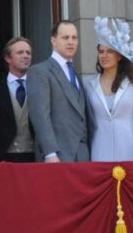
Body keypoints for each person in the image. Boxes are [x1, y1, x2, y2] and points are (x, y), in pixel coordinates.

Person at [85, 17, 133, 162]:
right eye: (101, 52)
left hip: (128, 150)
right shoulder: (89, 84)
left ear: (119, 56)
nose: (104, 56)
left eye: (109, 52)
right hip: (98, 150)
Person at [29, 20, 90, 163]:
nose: (71, 42)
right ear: (53, 41)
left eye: (74, 38)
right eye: (65, 37)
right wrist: (50, 153)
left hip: (82, 157)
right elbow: (40, 115)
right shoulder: (40, 71)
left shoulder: (75, 74)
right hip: (57, 157)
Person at [0, 37, 33, 162]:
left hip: (34, 157)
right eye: (20, 52)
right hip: (4, 158)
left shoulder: (38, 86)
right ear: (8, 58)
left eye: (28, 53)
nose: (25, 56)